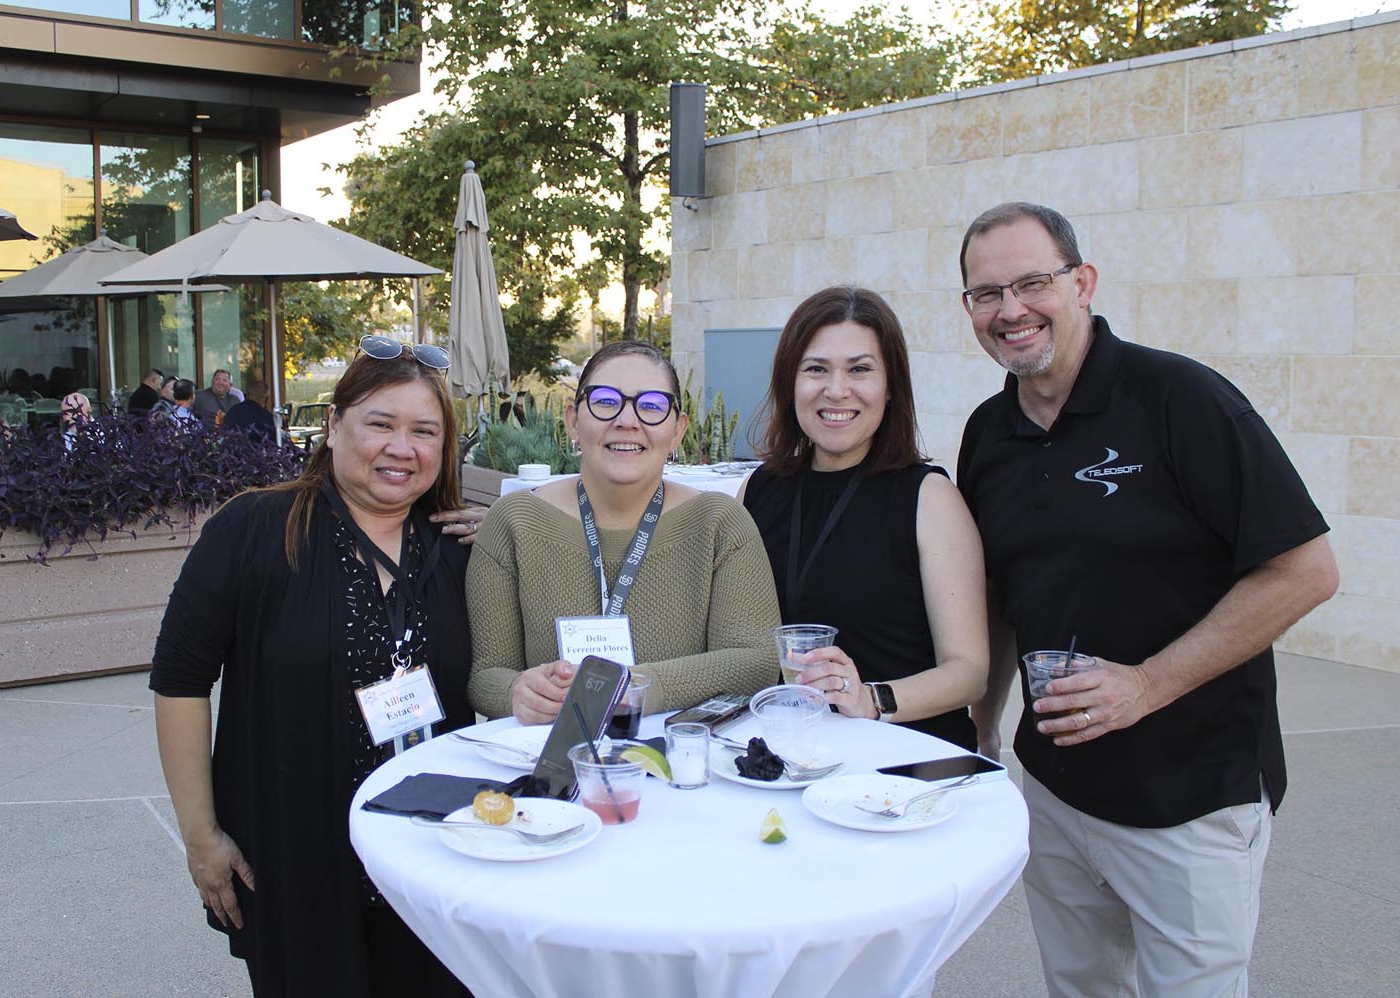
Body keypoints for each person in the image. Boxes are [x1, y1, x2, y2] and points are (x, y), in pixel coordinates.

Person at [955, 202, 1338, 997]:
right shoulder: (988, 435)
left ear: (1083, 282)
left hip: (1192, 798)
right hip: (1055, 793)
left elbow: (1305, 569)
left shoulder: (1182, 400)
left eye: (1033, 282)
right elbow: (998, 594)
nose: (1011, 309)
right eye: (986, 293)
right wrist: (984, 723)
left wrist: (1146, 684)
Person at [150, 336, 475, 997]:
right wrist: (201, 836)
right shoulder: (253, 530)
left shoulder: (462, 550)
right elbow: (180, 680)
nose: (400, 447)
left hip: (433, 863)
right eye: (379, 424)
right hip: (295, 859)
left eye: (424, 431)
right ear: (332, 427)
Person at [467, 340, 781, 723]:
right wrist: (518, 691)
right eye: (604, 400)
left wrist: (628, 686)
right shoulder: (513, 523)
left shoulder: (718, 523)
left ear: (678, 430)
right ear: (572, 420)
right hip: (553, 762)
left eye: (651, 405)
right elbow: (486, 676)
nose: (627, 421)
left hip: (682, 764)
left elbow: (755, 663)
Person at [740, 286, 988, 748]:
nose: (837, 390)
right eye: (816, 369)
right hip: (788, 755)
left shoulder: (929, 497)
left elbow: (969, 672)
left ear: (890, 386)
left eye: (860, 369)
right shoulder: (756, 491)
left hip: (905, 770)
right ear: (789, 381)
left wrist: (872, 699)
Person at [223, 379, 278, 444]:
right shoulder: (267, 418)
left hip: (230, 452)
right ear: (266, 398)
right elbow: (273, 444)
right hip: (256, 453)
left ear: (248, 394)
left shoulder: (232, 411)